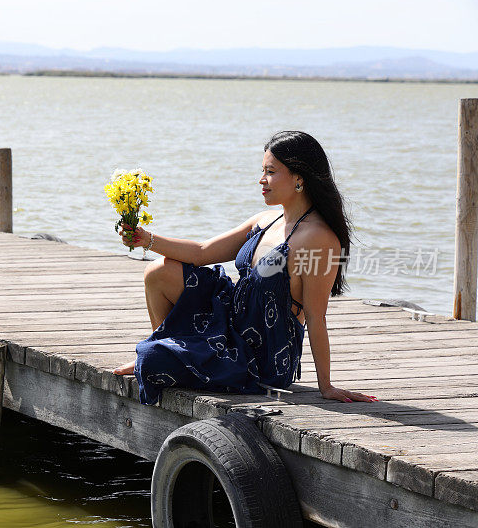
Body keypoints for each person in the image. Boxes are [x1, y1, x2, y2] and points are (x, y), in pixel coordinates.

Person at [113, 131, 377, 406]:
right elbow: (202, 252)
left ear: (299, 177)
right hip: (228, 322)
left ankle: (161, 353)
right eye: (262, 171)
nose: (261, 180)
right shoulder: (264, 220)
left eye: (270, 172)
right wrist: (147, 239)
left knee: (152, 358)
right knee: (158, 272)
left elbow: (315, 315)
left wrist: (327, 386)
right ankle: (166, 346)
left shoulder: (319, 238)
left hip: (261, 357)